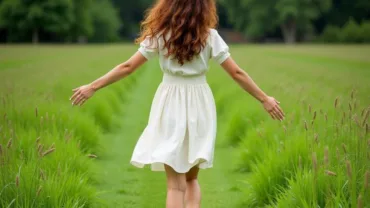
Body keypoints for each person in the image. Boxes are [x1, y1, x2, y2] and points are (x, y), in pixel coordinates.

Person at [69, 0, 285, 207]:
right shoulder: (210, 37)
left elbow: (127, 67)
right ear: (204, 7)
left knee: (175, 186)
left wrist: (93, 86)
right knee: (191, 180)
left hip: (170, 101)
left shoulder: (161, 35)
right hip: (200, 103)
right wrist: (265, 98)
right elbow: (236, 72)